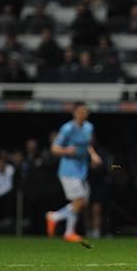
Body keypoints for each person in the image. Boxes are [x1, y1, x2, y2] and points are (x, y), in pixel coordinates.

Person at [46, 102, 102, 242]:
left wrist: (93, 155)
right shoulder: (67, 128)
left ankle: (61, 224)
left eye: (85, 111)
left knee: (82, 203)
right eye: (81, 111)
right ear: (75, 113)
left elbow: (88, 144)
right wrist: (66, 150)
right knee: (79, 201)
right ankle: (61, 224)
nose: (83, 114)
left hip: (82, 170)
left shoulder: (89, 127)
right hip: (68, 170)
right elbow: (54, 148)